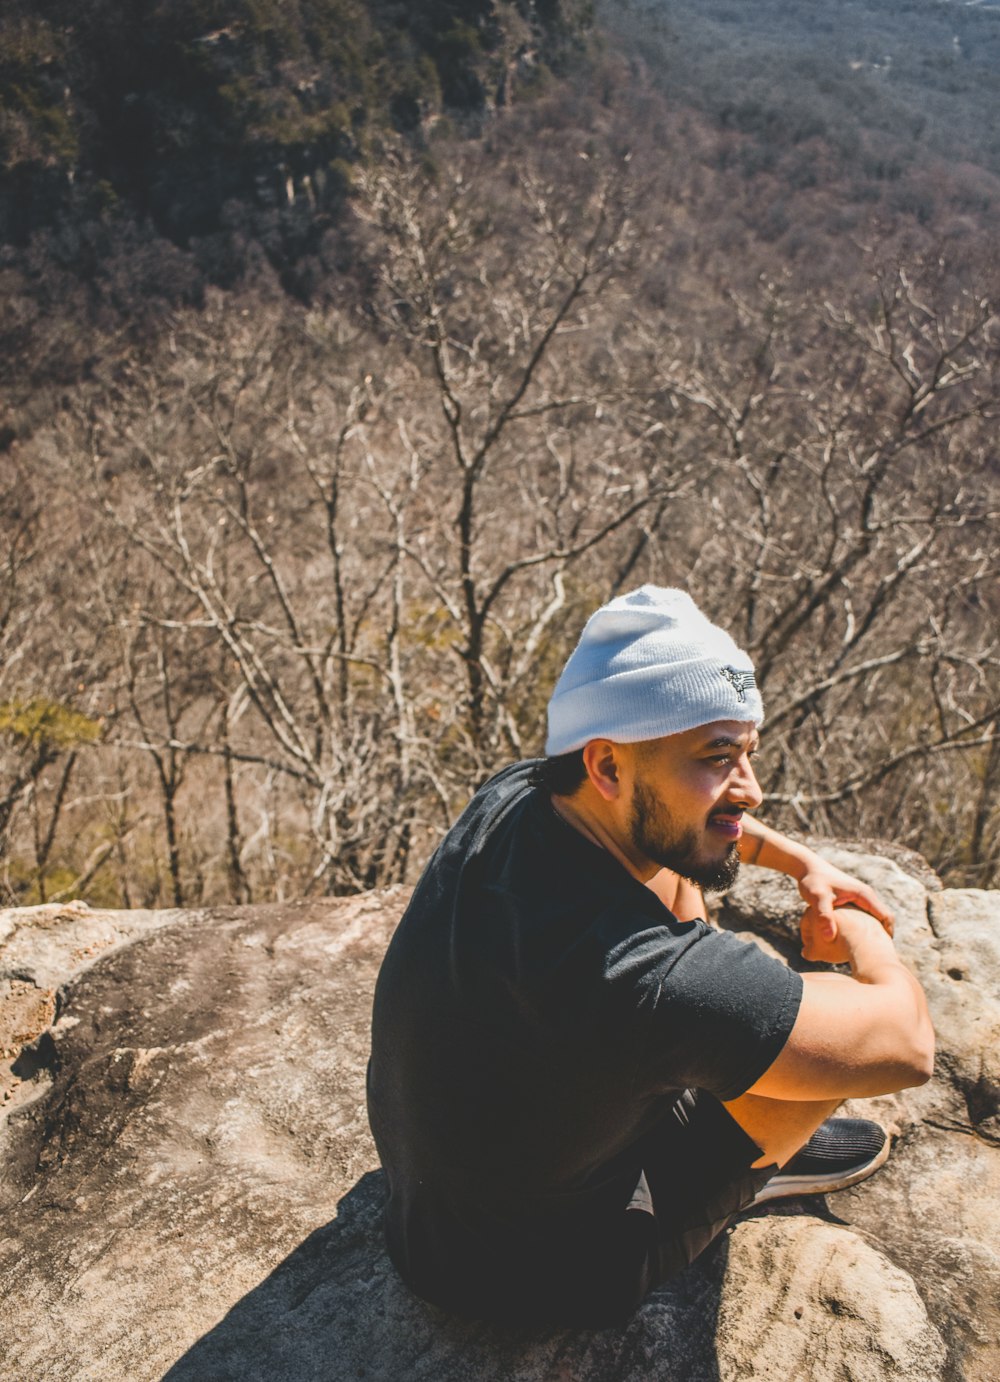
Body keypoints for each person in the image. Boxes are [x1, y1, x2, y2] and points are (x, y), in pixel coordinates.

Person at [367, 586, 934, 1327]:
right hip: (534, 1280)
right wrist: (859, 931)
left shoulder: (518, 797)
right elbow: (906, 1047)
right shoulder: (647, 981)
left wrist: (802, 866)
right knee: (832, 1053)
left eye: (748, 755)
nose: (752, 791)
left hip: (432, 1203)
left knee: (673, 870)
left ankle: (724, 1074)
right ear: (607, 764)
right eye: (718, 758)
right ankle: (749, 1166)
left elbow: (675, 833)